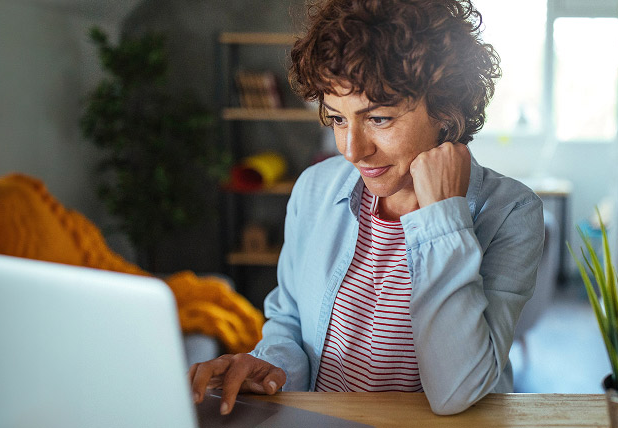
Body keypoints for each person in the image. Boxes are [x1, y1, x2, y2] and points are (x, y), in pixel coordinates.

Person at [189, 0, 544, 416]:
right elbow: (287, 322)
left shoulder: (511, 213)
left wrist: (442, 216)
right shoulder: (314, 190)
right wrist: (270, 370)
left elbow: (458, 390)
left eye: (378, 118)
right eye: (339, 119)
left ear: (446, 109)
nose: (353, 150)